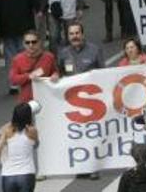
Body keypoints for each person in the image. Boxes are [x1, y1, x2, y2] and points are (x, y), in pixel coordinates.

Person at [56, 23, 103, 179]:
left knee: (91, 135)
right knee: (77, 135)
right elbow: (59, 73)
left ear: (82, 34)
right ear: (68, 36)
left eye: (77, 33)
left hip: (92, 102)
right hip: (72, 103)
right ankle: (81, 166)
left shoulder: (94, 50)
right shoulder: (63, 54)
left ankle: (93, 167)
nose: (75, 36)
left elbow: (103, 74)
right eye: (71, 34)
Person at [0, 0, 42, 95]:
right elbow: (37, 4)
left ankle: (13, 83)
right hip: (25, 27)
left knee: (10, 57)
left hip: (7, 28)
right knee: (26, 53)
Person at [0, 102, 39, 192]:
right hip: (26, 174)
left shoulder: (7, 130)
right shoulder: (32, 130)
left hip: (8, 174)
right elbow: (36, 145)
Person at [9, 30, 58, 103]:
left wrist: (55, 75)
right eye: (27, 42)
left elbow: (55, 71)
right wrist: (28, 76)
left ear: (39, 42)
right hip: (27, 101)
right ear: (23, 44)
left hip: (47, 98)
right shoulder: (17, 59)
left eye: (34, 42)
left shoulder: (49, 57)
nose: (30, 45)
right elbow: (13, 79)